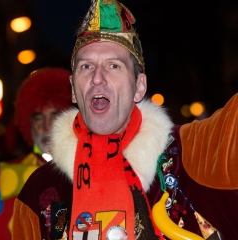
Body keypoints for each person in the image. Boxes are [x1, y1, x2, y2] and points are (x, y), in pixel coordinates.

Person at [12, 1, 238, 240]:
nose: (97, 78)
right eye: (86, 66)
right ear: (72, 90)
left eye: (114, 65)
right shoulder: (38, 192)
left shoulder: (194, 153)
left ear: (139, 87)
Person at [0, 67, 72, 240]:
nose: (46, 127)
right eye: (38, 118)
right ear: (28, 125)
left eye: (54, 115)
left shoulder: (87, 172)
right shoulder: (3, 177)